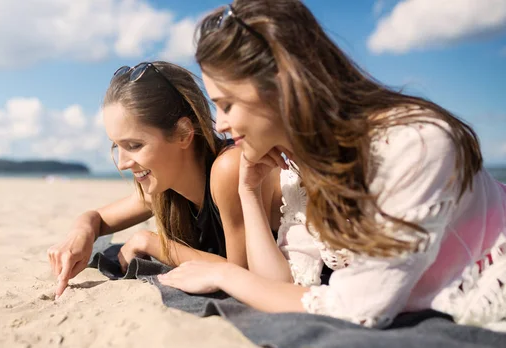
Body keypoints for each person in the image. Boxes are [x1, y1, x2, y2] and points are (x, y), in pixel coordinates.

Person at [158, 1, 506, 329]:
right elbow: (280, 285)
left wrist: (225, 275)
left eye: (228, 104)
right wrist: (248, 192)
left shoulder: (413, 146)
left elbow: (358, 310)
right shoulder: (302, 165)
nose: (219, 125)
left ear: (283, 86)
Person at [48, 61, 282, 299]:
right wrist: (80, 235)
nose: (122, 162)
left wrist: (151, 243)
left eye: (134, 145)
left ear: (183, 133)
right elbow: (96, 219)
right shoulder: (164, 187)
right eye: (116, 146)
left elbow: (240, 274)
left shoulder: (229, 168)